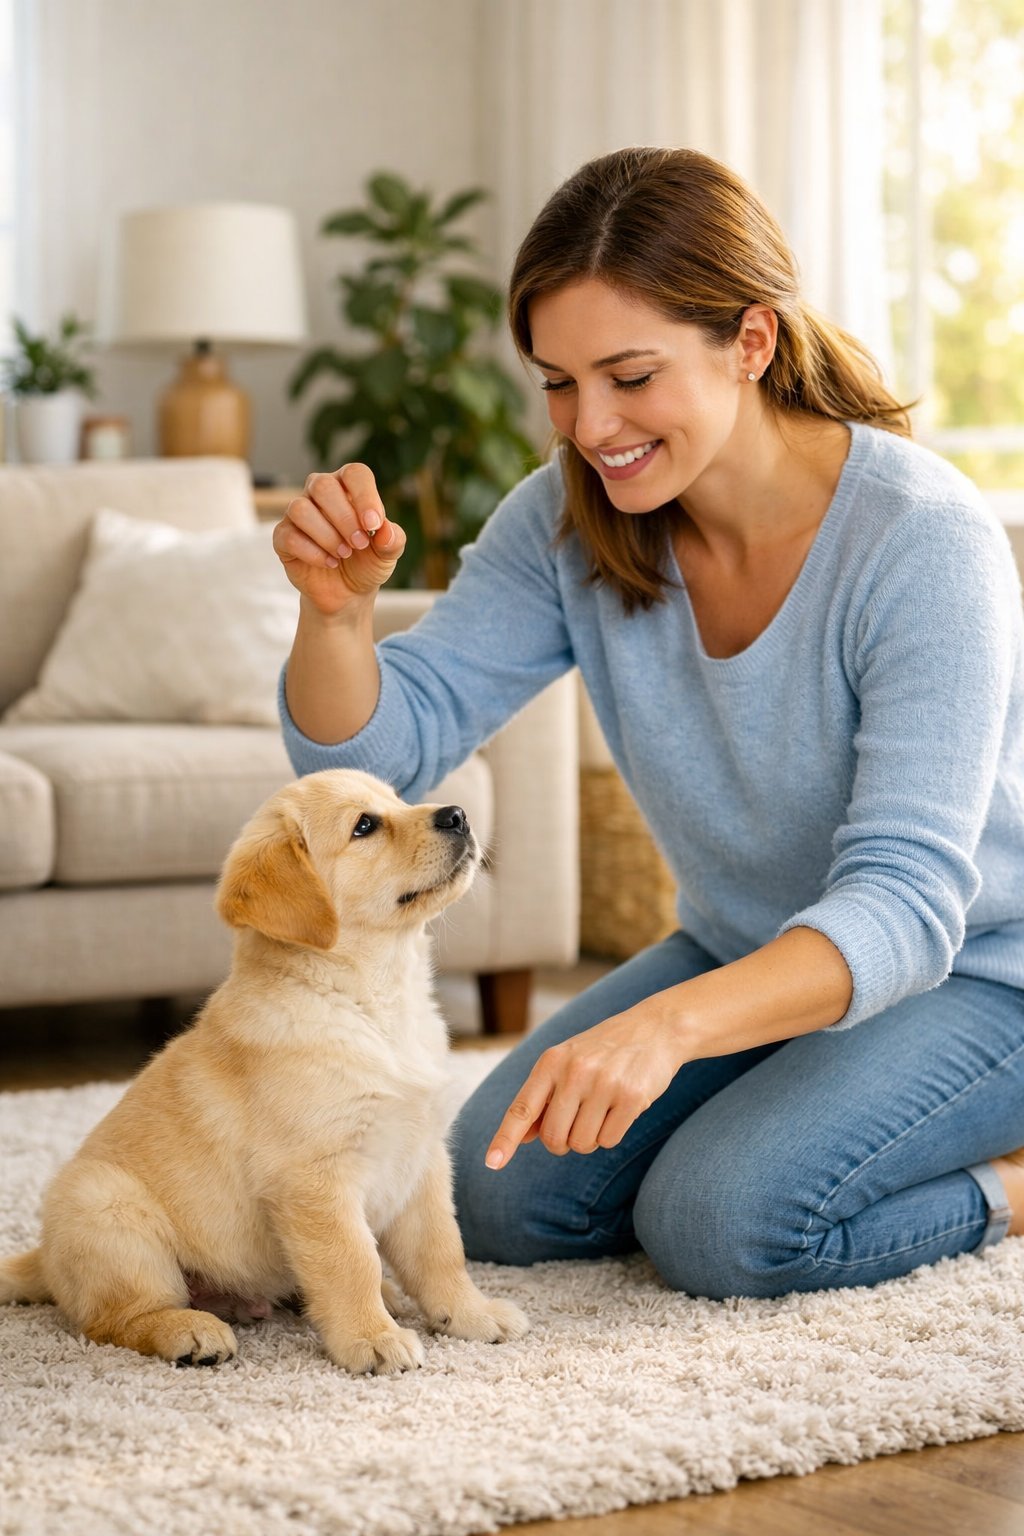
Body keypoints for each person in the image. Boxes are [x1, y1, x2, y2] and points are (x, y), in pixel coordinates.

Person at [273, 145, 1024, 1300]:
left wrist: (667, 1031)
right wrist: (336, 618)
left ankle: (1008, 1182)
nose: (589, 425)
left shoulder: (923, 541)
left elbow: (908, 908)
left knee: (722, 1221)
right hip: (751, 947)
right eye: (559, 382)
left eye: (629, 375)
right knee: (496, 1191)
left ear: (751, 341)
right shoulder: (567, 524)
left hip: (978, 970)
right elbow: (378, 758)